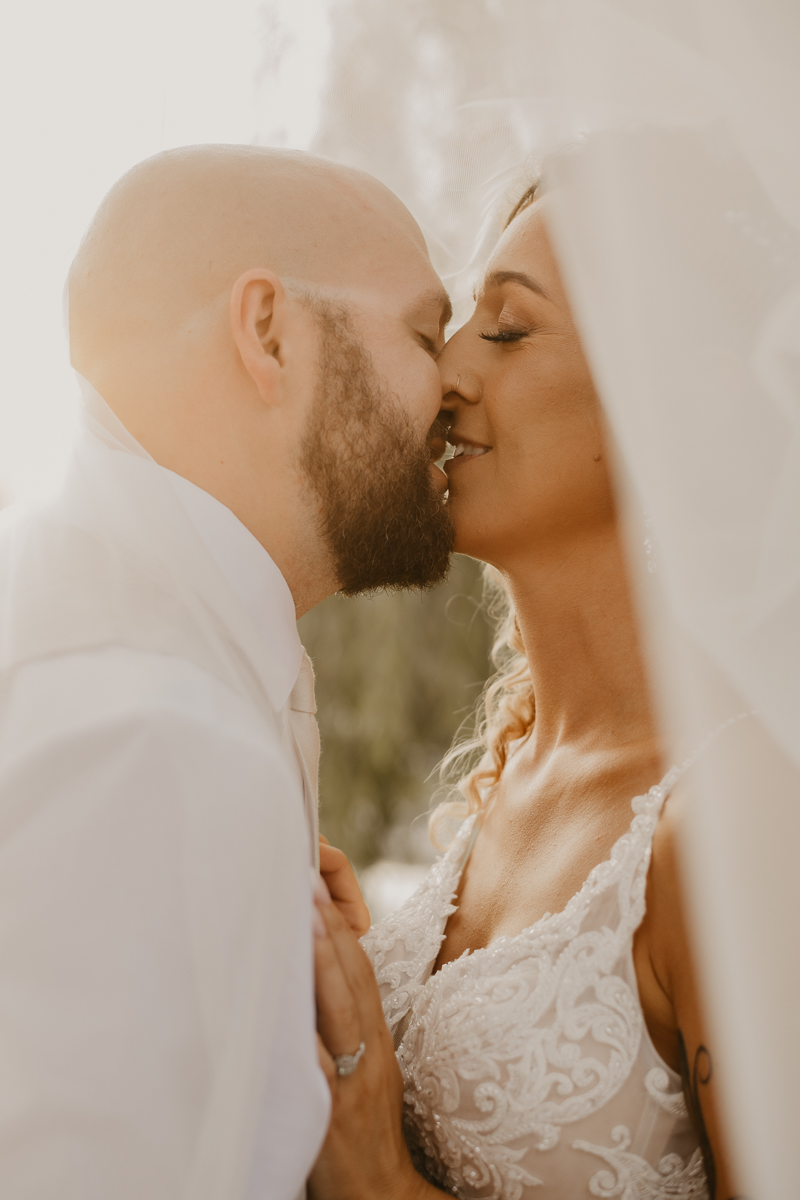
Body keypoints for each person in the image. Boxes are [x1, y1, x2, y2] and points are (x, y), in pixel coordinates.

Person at [0, 145, 454, 1199]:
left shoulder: (108, 646)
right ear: (269, 332)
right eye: (426, 334)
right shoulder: (155, 740)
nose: (455, 382)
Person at [309, 185, 744, 1199]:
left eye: (507, 329)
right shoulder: (513, 773)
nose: (446, 369)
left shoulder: (739, 820)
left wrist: (380, 1180)